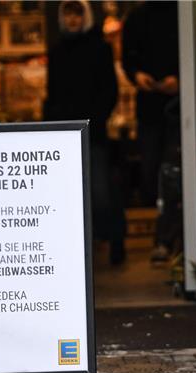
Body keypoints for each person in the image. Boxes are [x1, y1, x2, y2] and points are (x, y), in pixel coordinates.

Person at [44, 0, 125, 265]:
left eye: (77, 14)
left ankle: (113, 242)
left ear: (85, 16)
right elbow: (52, 93)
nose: (72, 19)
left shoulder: (100, 49)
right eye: (68, 14)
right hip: (62, 135)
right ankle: (79, 248)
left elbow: (110, 91)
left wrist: (95, 119)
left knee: (100, 192)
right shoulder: (57, 52)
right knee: (66, 194)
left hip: (94, 132)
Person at [121, 1, 181, 262]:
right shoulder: (136, 17)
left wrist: (180, 79)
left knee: (173, 173)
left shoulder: (182, 13)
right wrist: (137, 75)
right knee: (152, 173)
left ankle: (167, 239)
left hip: (179, 107)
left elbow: (193, 53)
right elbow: (128, 58)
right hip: (148, 108)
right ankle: (167, 237)